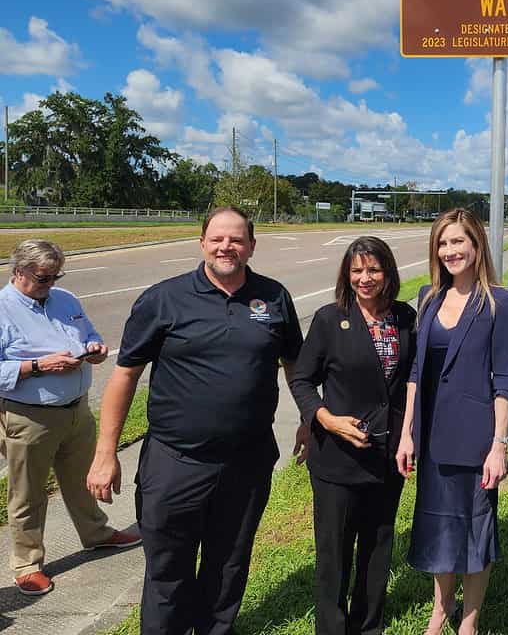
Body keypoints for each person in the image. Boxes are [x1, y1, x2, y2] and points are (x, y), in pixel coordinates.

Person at [86, 207, 304, 635]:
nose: (227, 247)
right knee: (168, 570)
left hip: (248, 461)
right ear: (202, 242)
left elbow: (294, 363)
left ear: (252, 246)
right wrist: (105, 453)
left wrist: (307, 420)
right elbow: (125, 376)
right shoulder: (163, 299)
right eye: (218, 239)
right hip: (175, 462)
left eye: (237, 240)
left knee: (228, 566)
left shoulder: (274, 297)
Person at [396, 209, 508, 635]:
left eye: (458, 242)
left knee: (474, 529)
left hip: (475, 437)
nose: (450, 251)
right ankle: (439, 609)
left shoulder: (499, 303)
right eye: (443, 244)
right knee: (438, 525)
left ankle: (470, 621)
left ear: (476, 244)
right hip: (431, 437)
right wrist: (407, 433)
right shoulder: (429, 297)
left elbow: (504, 378)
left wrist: (499, 443)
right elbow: (416, 372)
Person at [288, 237, 415, 635]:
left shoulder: (405, 318)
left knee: (378, 547)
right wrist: (323, 419)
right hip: (337, 460)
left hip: (387, 455)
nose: (365, 278)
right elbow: (303, 380)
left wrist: (409, 435)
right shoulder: (330, 319)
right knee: (334, 553)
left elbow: (411, 380)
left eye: (373, 269)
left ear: (388, 272)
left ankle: (369, 625)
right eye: (357, 270)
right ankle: (332, 627)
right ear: (347, 273)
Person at [0, 240, 140, 596]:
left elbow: (89, 333)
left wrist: (94, 348)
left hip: (76, 408)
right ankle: (28, 563)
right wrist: (36, 366)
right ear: (19, 272)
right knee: (29, 492)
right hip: (29, 416)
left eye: (55, 276)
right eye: (43, 278)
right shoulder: (3, 309)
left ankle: (96, 534)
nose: (51, 284)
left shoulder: (65, 299)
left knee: (82, 479)